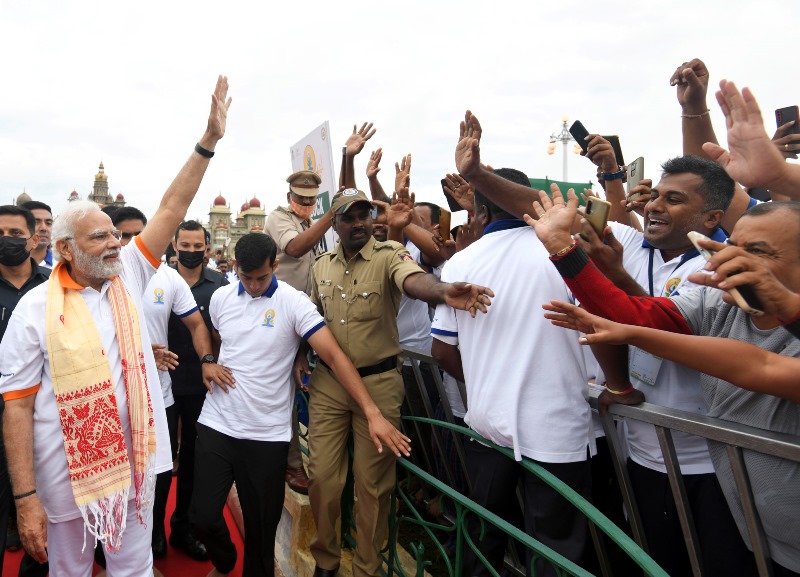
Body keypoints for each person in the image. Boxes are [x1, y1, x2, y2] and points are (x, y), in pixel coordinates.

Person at [452, 108, 757, 575]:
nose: (654, 206)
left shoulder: (718, 266)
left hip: (710, 460)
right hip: (641, 452)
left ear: (711, 216)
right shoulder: (629, 244)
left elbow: (662, 323)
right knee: (651, 560)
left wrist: (607, 275)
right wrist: (478, 175)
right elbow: (547, 206)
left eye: (673, 200)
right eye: (655, 195)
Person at [0, 74, 232, 577]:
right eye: (100, 237)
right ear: (65, 249)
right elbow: (17, 408)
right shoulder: (34, 309)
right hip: (65, 479)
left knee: (134, 568)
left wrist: (208, 141)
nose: (114, 244)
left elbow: (172, 207)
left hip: (135, 467)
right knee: (70, 571)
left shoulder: (127, 275)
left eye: (115, 234)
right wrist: (25, 497)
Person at [528, 188, 800, 576]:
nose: (733, 261)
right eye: (732, 247)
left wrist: (629, 333)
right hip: (757, 526)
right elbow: (637, 314)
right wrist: (562, 247)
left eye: (757, 252)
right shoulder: (716, 302)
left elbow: (757, 366)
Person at [190, 233, 409, 577]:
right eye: (246, 277)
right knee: (201, 516)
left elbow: (334, 355)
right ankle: (225, 560)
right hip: (217, 422)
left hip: (267, 435)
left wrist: (372, 412)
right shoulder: (221, 298)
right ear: (235, 267)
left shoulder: (294, 303)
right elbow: (220, 339)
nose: (253, 286)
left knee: (261, 534)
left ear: (275, 266)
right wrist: (209, 362)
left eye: (261, 278)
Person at [307, 189, 493, 577]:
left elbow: (414, 281)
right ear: (335, 224)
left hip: (379, 384)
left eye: (364, 215)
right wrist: (297, 358)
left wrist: (443, 291)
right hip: (329, 386)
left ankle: (367, 568)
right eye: (349, 217)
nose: (359, 223)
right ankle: (326, 560)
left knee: (373, 484)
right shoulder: (321, 265)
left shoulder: (390, 255)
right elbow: (310, 318)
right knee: (323, 477)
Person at [431, 169, 591, 577]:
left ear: (481, 212)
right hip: (556, 426)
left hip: (488, 422)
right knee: (554, 550)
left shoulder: (462, 260)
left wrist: (484, 381)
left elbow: (442, 351)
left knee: (483, 536)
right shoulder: (565, 251)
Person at [265, 169, 335, 494]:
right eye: (300, 199)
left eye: (311, 200)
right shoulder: (279, 218)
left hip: (304, 317)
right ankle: (291, 463)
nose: (305, 204)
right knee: (286, 393)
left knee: (302, 389)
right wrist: (331, 216)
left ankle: (298, 457)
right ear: (289, 196)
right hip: (279, 315)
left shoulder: (309, 224)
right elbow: (293, 248)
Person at [166, 219, 229, 561]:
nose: (191, 252)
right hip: (161, 384)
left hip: (201, 386)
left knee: (193, 461)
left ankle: (183, 529)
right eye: (185, 246)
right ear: (175, 246)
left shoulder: (220, 285)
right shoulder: (158, 280)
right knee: (159, 461)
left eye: (197, 246)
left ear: (207, 248)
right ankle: (151, 533)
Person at [0, 205, 48, 570]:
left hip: (41, 412)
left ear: (33, 240)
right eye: (0, 234)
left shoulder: (54, 286)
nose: (7, 240)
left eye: (15, 234)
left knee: (41, 502)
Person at [19, 201, 53, 269]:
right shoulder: (5, 266)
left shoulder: (65, 266)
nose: (43, 228)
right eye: (36, 222)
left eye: (48, 223)